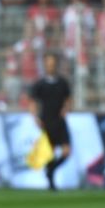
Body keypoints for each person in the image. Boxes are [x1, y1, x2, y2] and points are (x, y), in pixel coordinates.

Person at [28, 52, 71, 191]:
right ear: (45, 65)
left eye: (52, 64)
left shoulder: (62, 82)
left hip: (59, 121)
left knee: (66, 151)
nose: (50, 66)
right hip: (46, 121)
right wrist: (35, 117)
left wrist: (66, 109)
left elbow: (68, 99)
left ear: (55, 65)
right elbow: (33, 102)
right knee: (49, 152)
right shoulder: (40, 84)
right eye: (48, 64)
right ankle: (51, 182)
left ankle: (51, 169)